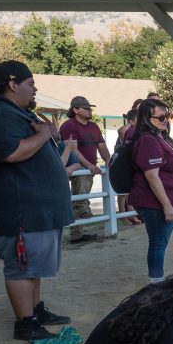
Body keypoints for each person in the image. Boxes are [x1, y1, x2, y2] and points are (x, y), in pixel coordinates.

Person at [0, 60, 75, 342]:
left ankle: (35, 310)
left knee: (32, 266)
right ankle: (26, 323)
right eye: (30, 83)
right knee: (21, 266)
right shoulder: (0, 114)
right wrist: (42, 134)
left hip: (38, 209)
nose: (35, 87)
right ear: (12, 85)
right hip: (22, 210)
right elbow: (12, 152)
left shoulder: (18, 113)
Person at [127, 98, 173, 283]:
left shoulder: (162, 138)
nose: (165, 120)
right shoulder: (147, 140)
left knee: (161, 243)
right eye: (160, 117)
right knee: (158, 244)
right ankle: (156, 283)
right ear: (146, 118)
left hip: (170, 200)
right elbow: (152, 175)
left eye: (166, 116)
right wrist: (166, 205)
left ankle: (157, 281)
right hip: (156, 202)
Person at [60, 95, 110, 243]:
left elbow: (101, 146)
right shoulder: (69, 126)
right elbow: (73, 149)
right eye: (86, 108)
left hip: (88, 168)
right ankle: (83, 212)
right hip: (75, 167)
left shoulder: (94, 126)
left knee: (79, 196)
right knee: (79, 197)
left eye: (90, 108)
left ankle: (77, 234)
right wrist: (88, 165)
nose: (89, 111)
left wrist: (108, 159)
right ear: (75, 109)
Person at [115, 99, 143, 225]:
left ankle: (132, 212)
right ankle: (123, 215)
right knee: (122, 190)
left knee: (131, 188)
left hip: (132, 160)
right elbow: (121, 133)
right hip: (123, 159)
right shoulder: (128, 127)